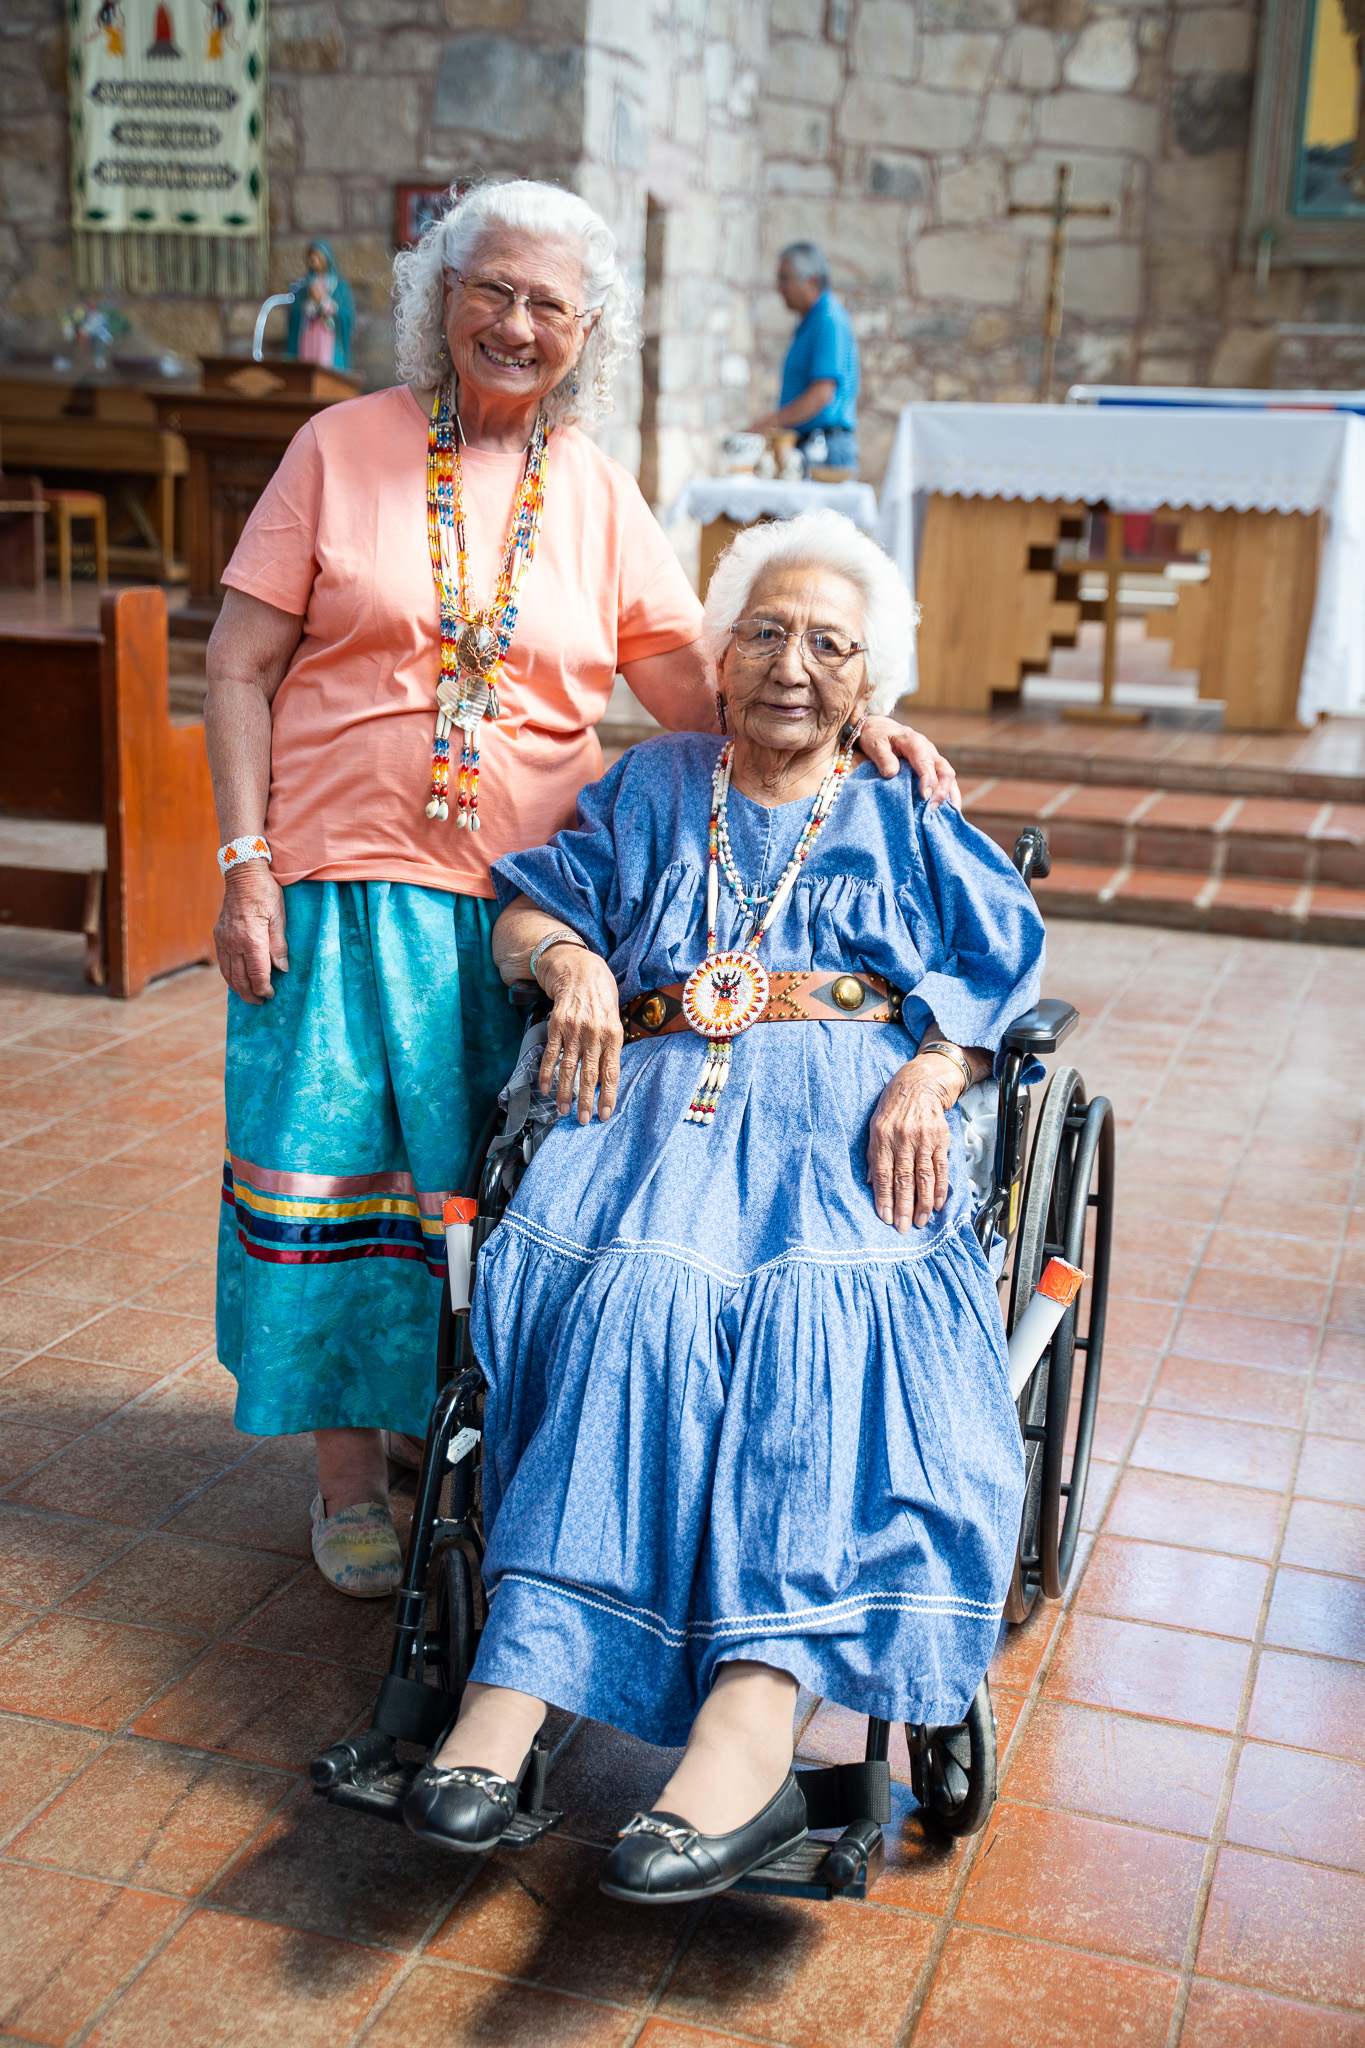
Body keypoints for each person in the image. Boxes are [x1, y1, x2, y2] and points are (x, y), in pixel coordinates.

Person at [204, 182, 959, 1604]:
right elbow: (237, 665)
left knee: (484, 1193)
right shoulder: (338, 448)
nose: (515, 322)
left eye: (548, 303)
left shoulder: (598, 493)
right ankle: (347, 1476)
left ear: (587, 332)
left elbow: (704, 690)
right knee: (334, 1179)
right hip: (336, 884)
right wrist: (246, 865)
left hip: (526, 912)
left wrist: (854, 720)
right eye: (490, 289)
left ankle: (444, 1428)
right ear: (441, 296)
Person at [402, 511, 1041, 1906]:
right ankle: (516, 1687)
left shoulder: (901, 803)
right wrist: (573, 964)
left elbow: (1000, 966)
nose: (791, 666)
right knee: (642, 1292)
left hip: (849, 1122)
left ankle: (753, 1721)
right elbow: (529, 910)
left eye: (828, 645)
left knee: (819, 1317)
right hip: (654, 1114)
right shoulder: (652, 784)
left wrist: (934, 1070)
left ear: (868, 681)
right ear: (718, 654)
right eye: (764, 632)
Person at [750, 241, 860, 475]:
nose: (779, 287)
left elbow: (822, 393)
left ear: (811, 281)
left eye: (784, 279)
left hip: (824, 449)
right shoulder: (813, 321)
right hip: (809, 444)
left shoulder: (829, 320)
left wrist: (768, 425)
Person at [285, 240, 354, 372]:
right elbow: (295, 311)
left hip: (327, 334)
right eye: (311, 257)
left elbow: (346, 313)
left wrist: (325, 303)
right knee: (307, 365)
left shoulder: (339, 285)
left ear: (325, 258)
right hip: (309, 332)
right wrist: (309, 305)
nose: (313, 260)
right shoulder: (305, 284)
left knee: (325, 366)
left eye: (317, 256)